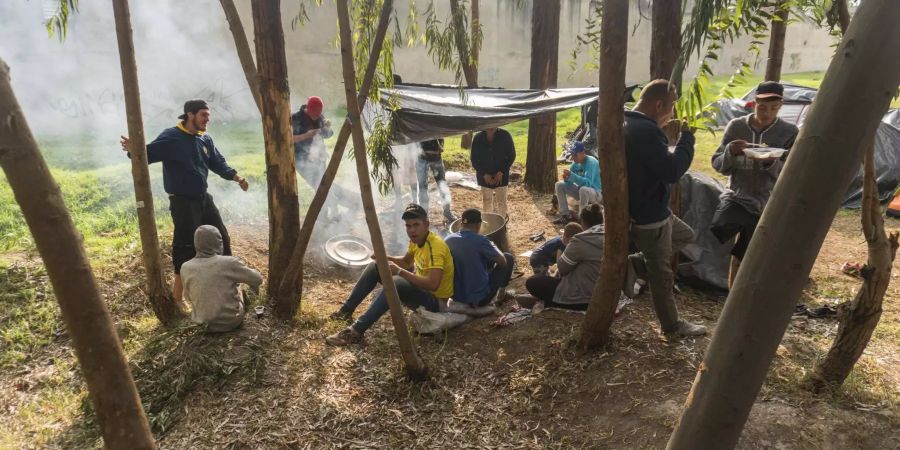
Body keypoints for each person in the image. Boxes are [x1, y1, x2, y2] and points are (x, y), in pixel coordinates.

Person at [120, 99, 249, 302]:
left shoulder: (204, 139)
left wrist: (237, 177)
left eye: (208, 115)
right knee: (185, 246)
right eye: (203, 115)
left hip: (203, 198)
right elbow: (148, 154)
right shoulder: (172, 137)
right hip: (182, 202)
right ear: (190, 115)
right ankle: (178, 299)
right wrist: (133, 149)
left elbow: (217, 162)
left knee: (222, 238)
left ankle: (232, 289)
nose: (207, 119)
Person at [623, 79, 706, 340]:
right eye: (671, 107)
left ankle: (635, 264)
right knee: (661, 275)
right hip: (649, 216)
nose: (671, 114)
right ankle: (672, 327)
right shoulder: (647, 131)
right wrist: (687, 140)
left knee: (685, 235)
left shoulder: (627, 122)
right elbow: (671, 171)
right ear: (659, 105)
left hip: (651, 208)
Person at [710, 81, 799, 287]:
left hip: (768, 201)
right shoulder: (737, 126)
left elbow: (791, 172)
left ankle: (739, 294)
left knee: (748, 253)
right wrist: (730, 152)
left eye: (773, 108)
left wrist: (770, 162)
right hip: (737, 196)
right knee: (720, 229)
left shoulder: (788, 132)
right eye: (762, 107)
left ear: (781, 105)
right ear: (753, 104)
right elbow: (718, 165)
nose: (767, 113)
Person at [326, 204, 455, 346]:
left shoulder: (435, 247)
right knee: (375, 266)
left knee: (397, 282)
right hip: (421, 293)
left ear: (426, 224)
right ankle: (345, 312)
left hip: (436, 303)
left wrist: (399, 272)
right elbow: (406, 262)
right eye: (408, 226)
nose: (411, 230)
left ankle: (356, 331)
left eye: (416, 225)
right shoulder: (417, 240)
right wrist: (385, 258)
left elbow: (433, 284)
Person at [515, 204, 605, 310]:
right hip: (605, 293)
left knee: (533, 282)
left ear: (583, 222)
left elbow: (562, 268)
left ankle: (548, 302)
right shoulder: (611, 235)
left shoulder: (581, 240)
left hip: (583, 297)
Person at [181, 225, 263, 332]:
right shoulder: (228, 263)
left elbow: (188, 297)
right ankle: (254, 309)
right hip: (230, 322)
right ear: (219, 243)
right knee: (241, 284)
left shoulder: (185, 267)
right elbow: (258, 279)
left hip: (201, 325)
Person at [444, 209, 514, 312]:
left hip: (457, 297)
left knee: (476, 259)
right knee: (508, 257)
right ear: (478, 225)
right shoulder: (480, 240)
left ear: (461, 224)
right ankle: (501, 295)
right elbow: (502, 261)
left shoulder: (447, 240)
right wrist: (492, 245)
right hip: (479, 300)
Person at [471, 127, 516, 217]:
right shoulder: (478, 137)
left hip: (501, 175)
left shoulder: (505, 135)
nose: (491, 127)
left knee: (501, 202)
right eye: (488, 125)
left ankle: (502, 224)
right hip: (484, 175)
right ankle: (488, 224)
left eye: (494, 125)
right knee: (487, 201)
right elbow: (474, 159)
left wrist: (501, 172)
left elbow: (511, 155)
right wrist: (484, 174)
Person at [553, 141, 602, 224]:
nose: (573, 157)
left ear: (583, 153)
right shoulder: (574, 165)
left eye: (575, 154)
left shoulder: (592, 162)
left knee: (583, 189)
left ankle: (582, 219)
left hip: (595, 193)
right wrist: (567, 179)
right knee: (559, 185)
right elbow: (569, 184)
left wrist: (572, 176)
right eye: (572, 154)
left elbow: (588, 183)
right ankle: (565, 215)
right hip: (582, 192)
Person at [416, 138, 457, 222]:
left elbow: (440, 132)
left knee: (442, 185)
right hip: (421, 158)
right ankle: (424, 214)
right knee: (422, 187)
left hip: (436, 157)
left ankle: (447, 212)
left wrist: (441, 145)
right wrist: (420, 149)